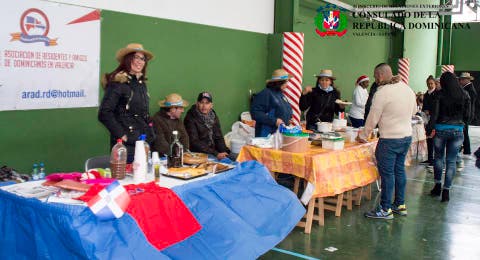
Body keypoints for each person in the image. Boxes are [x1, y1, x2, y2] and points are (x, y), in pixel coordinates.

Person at [358, 63, 417, 219]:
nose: (375, 79)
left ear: (380, 75)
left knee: (387, 174)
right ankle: (400, 204)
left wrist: (363, 135)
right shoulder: (407, 88)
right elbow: (414, 111)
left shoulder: (382, 92)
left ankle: (385, 209)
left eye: (375, 76)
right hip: (406, 137)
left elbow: (373, 117)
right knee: (399, 170)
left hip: (389, 139)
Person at [98, 43, 155, 163]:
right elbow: (104, 113)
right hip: (125, 148)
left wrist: (150, 132)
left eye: (142, 58)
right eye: (136, 57)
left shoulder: (141, 84)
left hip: (142, 143)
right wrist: (122, 135)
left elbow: (143, 114)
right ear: (127, 59)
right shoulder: (117, 83)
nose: (139, 61)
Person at [427, 72, 471, 202]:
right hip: (457, 131)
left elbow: (434, 115)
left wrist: (429, 129)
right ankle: (446, 191)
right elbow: (468, 115)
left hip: (441, 130)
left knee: (439, 158)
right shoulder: (465, 95)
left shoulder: (439, 95)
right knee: (451, 161)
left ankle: (437, 185)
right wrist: (462, 125)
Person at [184, 92, 231, 160]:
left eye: (207, 103)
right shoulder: (191, 117)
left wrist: (224, 152)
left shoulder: (213, 116)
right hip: (198, 153)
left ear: (211, 105)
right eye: (202, 102)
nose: (204, 106)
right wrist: (216, 153)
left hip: (213, 151)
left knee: (233, 159)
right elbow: (194, 142)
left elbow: (219, 137)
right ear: (197, 104)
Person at [250, 69, 293, 137]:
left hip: (278, 135)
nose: (287, 85)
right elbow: (255, 112)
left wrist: (288, 119)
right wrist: (275, 121)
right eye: (286, 82)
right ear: (279, 82)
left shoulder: (281, 94)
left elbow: (283, 110)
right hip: (266, 135)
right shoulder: (266, 93)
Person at [458, 72, 477, 157]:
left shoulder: (469, 89)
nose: (460, 81)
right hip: (467, 113)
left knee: (464, 132)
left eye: (462, 79)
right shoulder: (468, 88)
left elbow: (469, 103)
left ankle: (467, 149)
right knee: (464, 131)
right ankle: (466, 149)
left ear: (467, 80)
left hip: (467, 113)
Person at [420, 75, 438, 168]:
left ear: (435, 83)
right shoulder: (426, 94)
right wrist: (425, 111)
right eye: (428, 84)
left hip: (434, 120)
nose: (430, 85)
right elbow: (424, 106)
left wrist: (430, 111)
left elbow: (437, 108)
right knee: (428, 140)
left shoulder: (437, 94)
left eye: (431, 83)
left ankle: (434, 160)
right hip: (427, 119)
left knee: (433, 139)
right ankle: (430, 158)